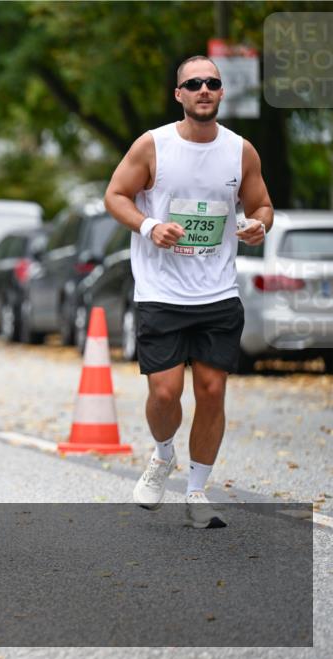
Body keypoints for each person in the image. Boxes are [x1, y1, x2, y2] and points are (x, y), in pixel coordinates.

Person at [104, 55, 272, 528]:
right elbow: (115, 195)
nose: (204, 90)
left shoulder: (240, 151)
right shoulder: (153, 145)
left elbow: (261, 204)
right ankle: (163, 454)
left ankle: (197, 491)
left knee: (212, 392)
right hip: (161, 292)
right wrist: (149, 226)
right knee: (165, 393)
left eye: (212, 83)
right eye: (193, 83)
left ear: (221, 93)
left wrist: (259, 225)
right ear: (178, 94)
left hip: (217, 293)